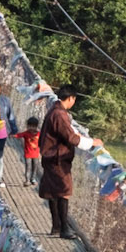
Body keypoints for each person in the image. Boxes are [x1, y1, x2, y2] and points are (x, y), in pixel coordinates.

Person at [38, 88, 78, 239]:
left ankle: (56, 226)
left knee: (53, 192)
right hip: (57, 158)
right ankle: (64, 229)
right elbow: (70, 137)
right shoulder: (60, 114)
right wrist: (90, 142)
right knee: (64, 191)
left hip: (50, 157)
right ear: (71, 98)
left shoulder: (53, 110)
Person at [13, 115, 42, 187]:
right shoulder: (26, 133)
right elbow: (19, 135)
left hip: (36, 154)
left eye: (33, 126)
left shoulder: (39, 134)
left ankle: (33, 178)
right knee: (28, 167)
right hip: (28, 154)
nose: (31, 128)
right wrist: (12, 135)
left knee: (35, 166)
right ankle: (27, 180)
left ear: (36, 126)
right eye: (30, 126)